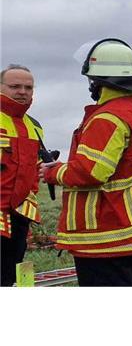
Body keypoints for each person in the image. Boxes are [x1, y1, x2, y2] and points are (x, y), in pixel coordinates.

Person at [40, 39, 132, 287]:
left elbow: (89, 172)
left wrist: (54, 172)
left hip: (105, 235)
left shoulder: (107, 118)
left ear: (98, 81)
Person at [1, 64, 43, 286]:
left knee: (12, 272)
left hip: (19, 213)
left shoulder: (34, 126)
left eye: (28, 87)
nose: (22, 91)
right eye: (15, 86)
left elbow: (33, 170)